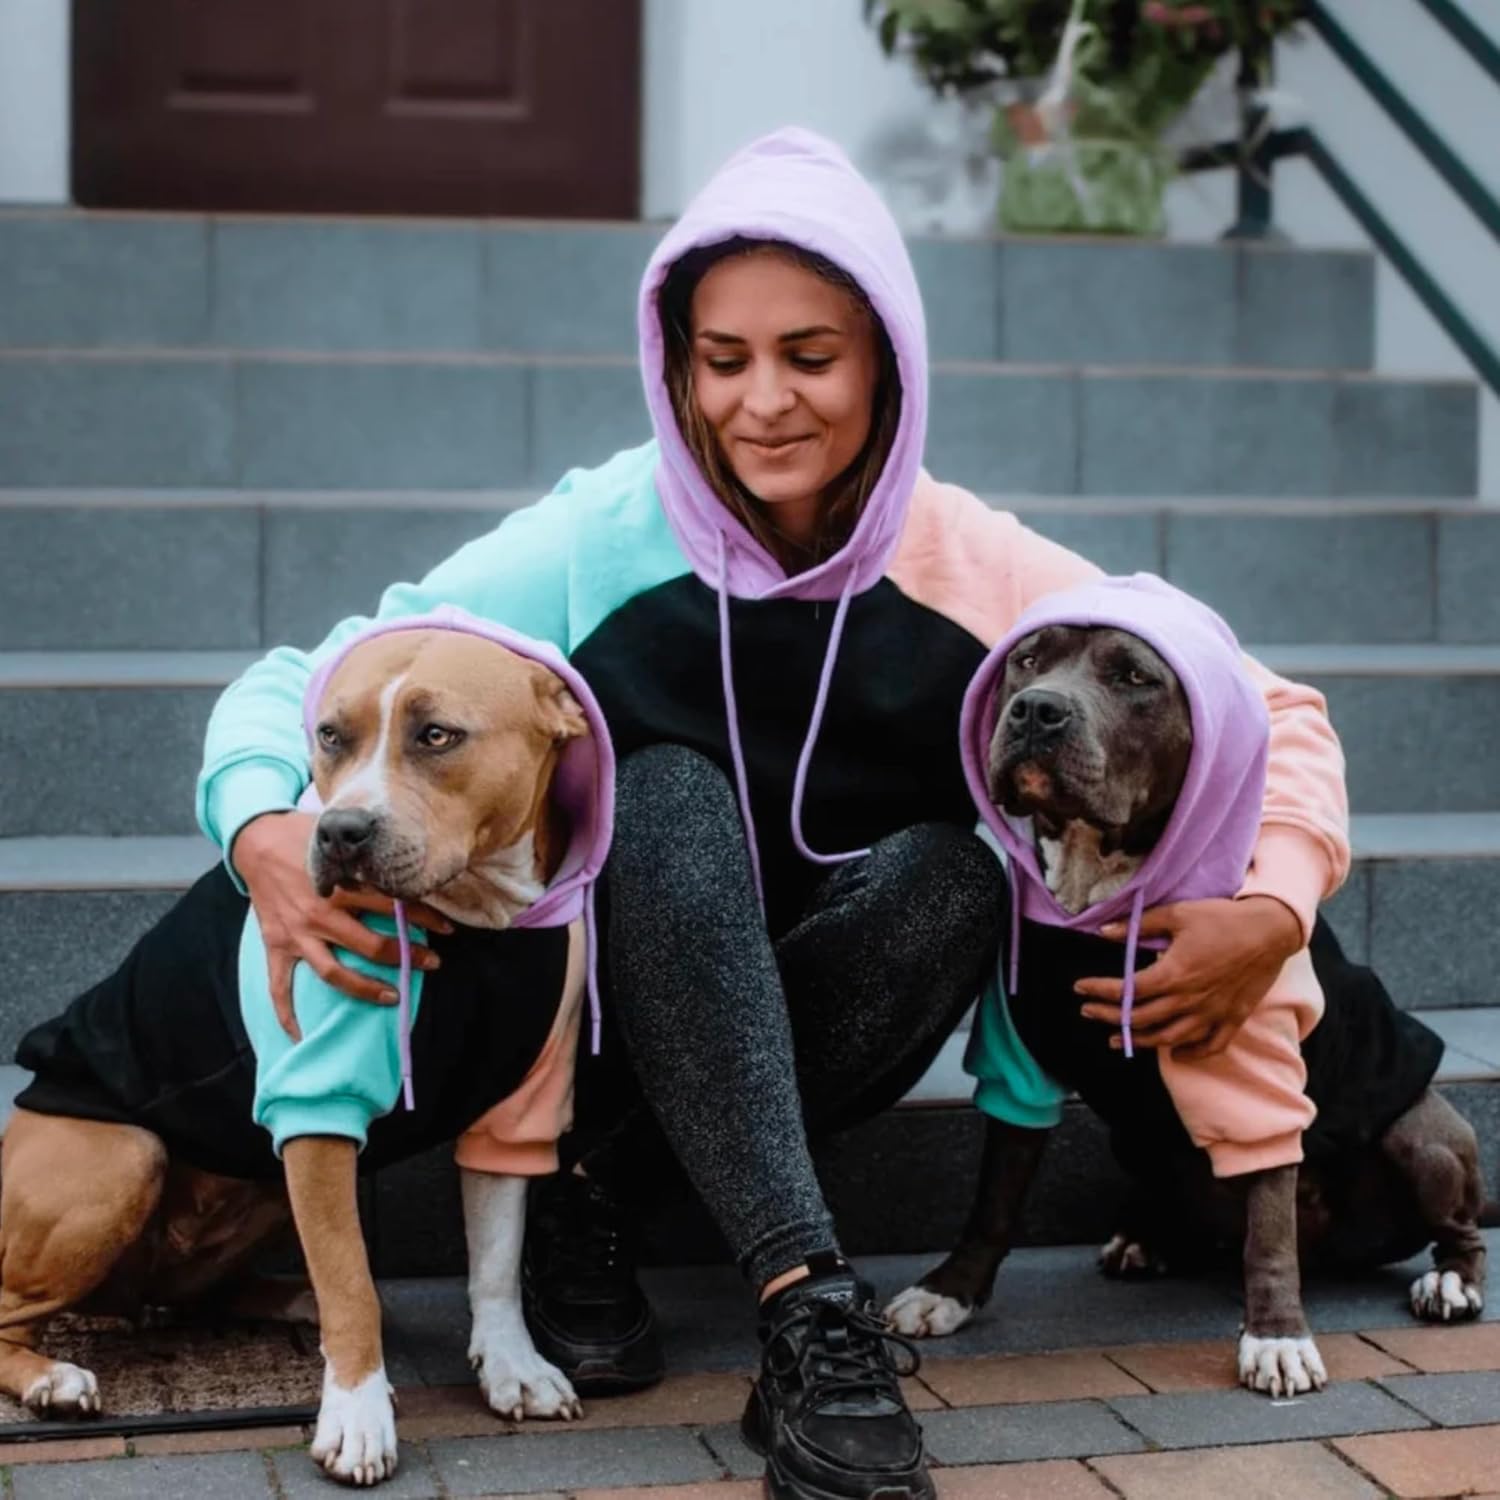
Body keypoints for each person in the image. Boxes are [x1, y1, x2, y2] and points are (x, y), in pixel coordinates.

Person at [199, 128, 1348, 1500]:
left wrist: (1275, 909)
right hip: (610, 1005)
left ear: (888, 365)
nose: (764, 404)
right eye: (723, 359)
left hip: (817, 1013)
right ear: (677, 366)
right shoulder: (601, 538)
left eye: (812, 356)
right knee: (669, 788)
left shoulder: (967, 556)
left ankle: (605, 1193)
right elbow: (311, 675)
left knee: (960, 876)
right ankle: (809, 1300)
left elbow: (1271, 707)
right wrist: (262, 829)